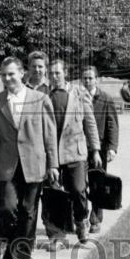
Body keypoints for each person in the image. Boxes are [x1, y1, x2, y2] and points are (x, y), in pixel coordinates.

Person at [0, 56, 58, 259]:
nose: (7, 78)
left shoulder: (40, 99)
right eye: (3, 75)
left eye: (11, 74)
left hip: (34, 164)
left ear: (22, 73)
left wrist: (53, 164)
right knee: (8, 209)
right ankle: (11, 255)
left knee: (28, 212)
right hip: (5, 165)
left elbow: (50, 135)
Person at [43, 59, 102, 249]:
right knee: (53, 194)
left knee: (78, 190)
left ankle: (81, 222)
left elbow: (90, 123)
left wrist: (95, 150)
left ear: (65, 73)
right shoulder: (44, 95)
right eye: (51, 74)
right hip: (51, 153)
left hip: (75, 151)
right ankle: (57, 236)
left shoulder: (79, 92)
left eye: (57, 73)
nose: (54, 77)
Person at [80, 65, 119, 234]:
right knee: (79, 185)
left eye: (90, 78)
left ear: (97, 79)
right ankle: (81, 217)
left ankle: (95, 219)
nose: (87, 81)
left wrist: (112, 148)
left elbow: (112, 124)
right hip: (79, 148)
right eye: (85, 78)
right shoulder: (77, 97)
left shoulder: (105, 99)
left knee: (97, 184)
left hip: (100, 148)